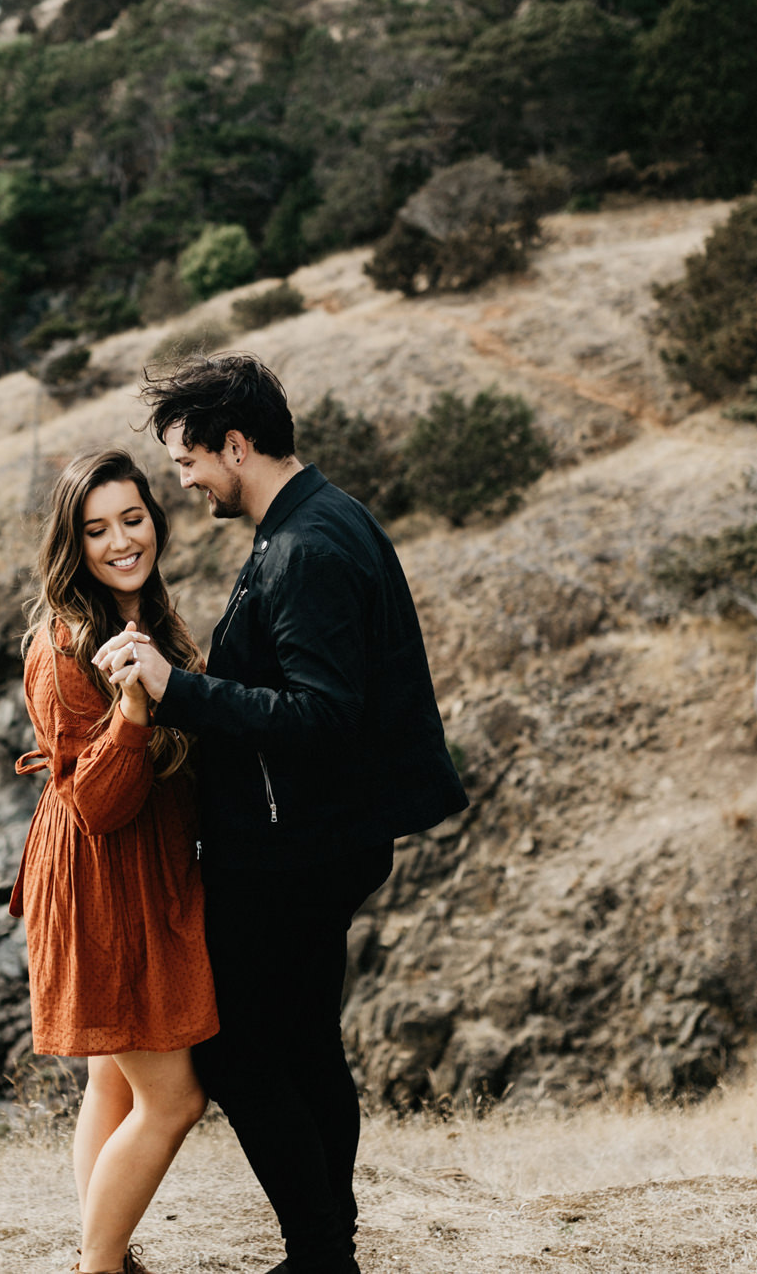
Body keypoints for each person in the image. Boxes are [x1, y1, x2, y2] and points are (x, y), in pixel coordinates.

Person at [94, 353, 468, 1274]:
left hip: (293, 850)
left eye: (188, 458)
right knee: (304, 1045)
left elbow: (322, 714)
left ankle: (319, 1254)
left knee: (237, 1057)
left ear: (236, 442)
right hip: (313, 836)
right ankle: (322, 1250)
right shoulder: (308, 523)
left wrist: (177, 689)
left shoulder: (309, 548)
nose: (182, 478)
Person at [9, 447, 219, 1274]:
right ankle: (97, 1267)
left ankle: (108, 1251)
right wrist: (133, 710)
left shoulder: (148, 617)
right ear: (74, 542)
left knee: (114, 1085)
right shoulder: (62, 646)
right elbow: (97, 802)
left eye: (133, 519)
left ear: (155, 522)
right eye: (96, 529)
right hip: (104, 880)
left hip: (141, 868)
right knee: (174, 1099)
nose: (121, 541)